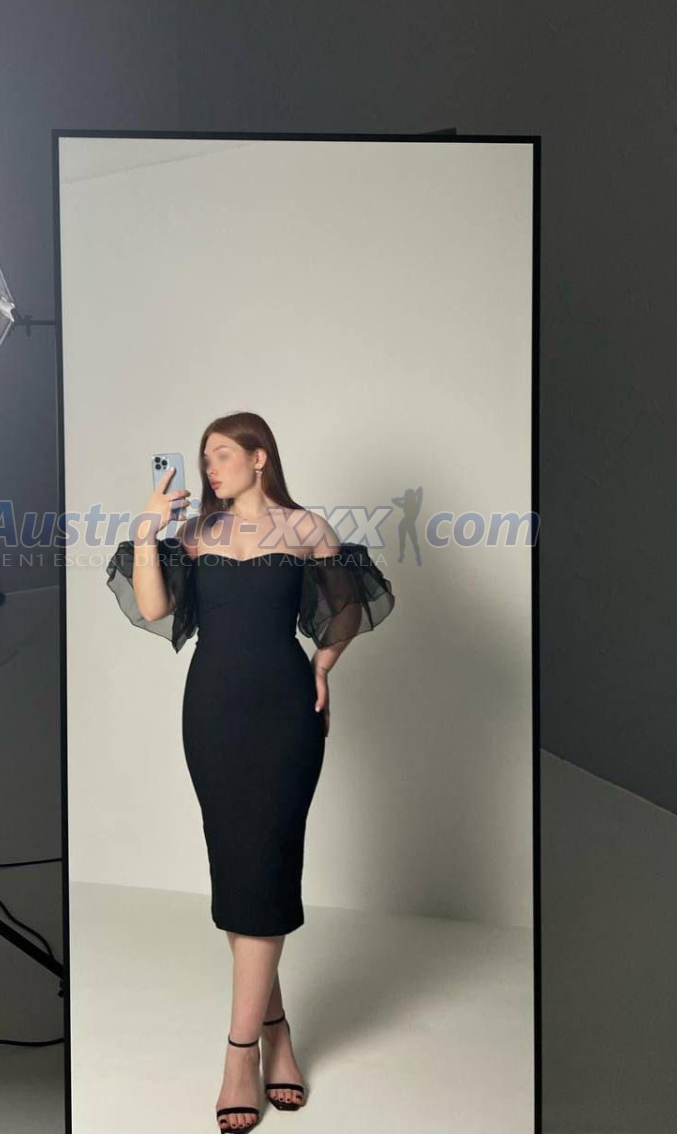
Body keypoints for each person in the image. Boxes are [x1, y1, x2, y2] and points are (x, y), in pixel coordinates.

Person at [106, 411, 395, 1131]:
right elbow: (153, 607)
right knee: (240, 869)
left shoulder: (304, 527)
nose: (209, 468)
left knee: (267, 862)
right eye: (204, 457)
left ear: (260, 457)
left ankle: (240, 1055)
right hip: (211, 717)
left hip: (285, 717)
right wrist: (145, 533)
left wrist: (323, 663)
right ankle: (276, 1032)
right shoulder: (192, 533)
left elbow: (348, 605)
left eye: (222, 455)